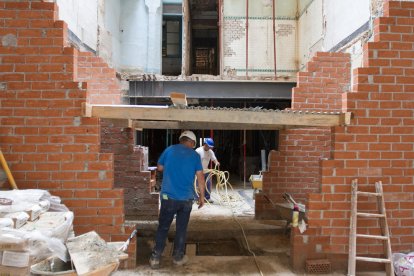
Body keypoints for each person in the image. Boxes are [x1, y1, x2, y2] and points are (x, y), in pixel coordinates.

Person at [149, 130, 206, 269]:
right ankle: (178, 257)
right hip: (186, 199)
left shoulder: (169, 150)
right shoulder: (195, 155)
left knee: (163, 227)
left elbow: (160, 167)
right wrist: (202, 198)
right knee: (181, 229)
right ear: (192, 143)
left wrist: (173, 166)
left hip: (168, 197)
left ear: (181, 140)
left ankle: (156, 258)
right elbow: (200, 177)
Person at [195, 138, 220, 203]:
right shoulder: (198, 151)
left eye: (211, 147)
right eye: (209, 146)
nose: (210, 148)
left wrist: (216, 162)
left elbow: (214, 159)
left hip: (205, 170)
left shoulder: (210, 152)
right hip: (198, 170)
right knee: (198, 185)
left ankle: (207, 198)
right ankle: (198, 198)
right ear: (205, 144)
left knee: (208, 183)